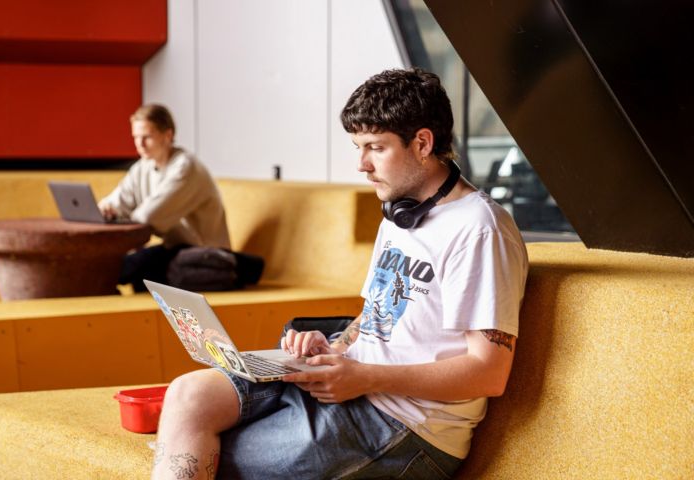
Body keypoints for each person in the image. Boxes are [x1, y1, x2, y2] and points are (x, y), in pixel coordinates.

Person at [150, 68, 528, 480]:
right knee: (188, 396)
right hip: (351, 382)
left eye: (375, 148)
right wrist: (333, 347)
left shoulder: (480, 229)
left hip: (405, 425)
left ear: (422, 143)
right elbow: (376, 318)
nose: (362, 165)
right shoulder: (401, 213)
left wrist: (365, 377)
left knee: (207, 459)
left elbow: (489, 372)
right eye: (358, 147)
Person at [98, 104, 231, 290]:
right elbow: (116, 202)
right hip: (176, 250)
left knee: (124, 268)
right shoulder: (143, 166)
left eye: (147, 137)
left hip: (205, 256)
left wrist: (119, 217)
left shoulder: (185, 167)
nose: (140, 144)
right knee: (127, 269)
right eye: (136, 137)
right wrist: (107, 209)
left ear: (168, 135)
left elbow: (149, 217)